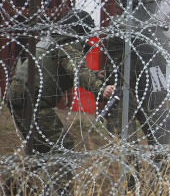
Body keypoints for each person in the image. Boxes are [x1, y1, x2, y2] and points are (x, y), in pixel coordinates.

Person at [5, 9, 115, 154]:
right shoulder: (66, 43)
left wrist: (95, 74)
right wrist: (101, 89)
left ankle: (34, 175)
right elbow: (78, 71)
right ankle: (58, 176)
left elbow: (60, 70)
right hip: (34, 99)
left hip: (17, 95)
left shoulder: (49, 40)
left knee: (40, 147)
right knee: (63, 147)